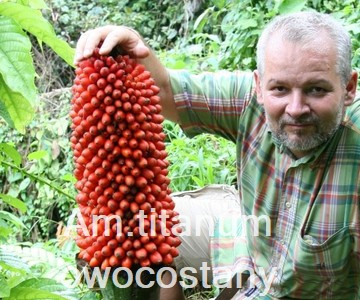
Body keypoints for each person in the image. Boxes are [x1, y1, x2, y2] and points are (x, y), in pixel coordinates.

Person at [74, 10, 360, 299]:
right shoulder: (250, 100)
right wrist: (131, 49)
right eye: (280, 89)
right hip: (249, 238)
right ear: (260, 86)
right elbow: (164, 91)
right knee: (126, 230)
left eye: (316, 89)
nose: (296, 108)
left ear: (348, 88)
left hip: (300, 289)